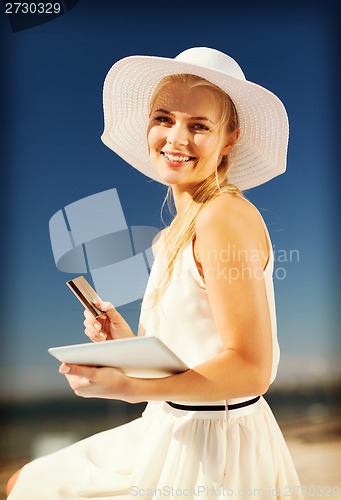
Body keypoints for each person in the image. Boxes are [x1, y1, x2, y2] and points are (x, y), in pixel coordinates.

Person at [7, 47, 303, 499]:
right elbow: (192, 351)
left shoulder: (223, 216)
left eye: (199, 126)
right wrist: (127, 346)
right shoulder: (169, 237)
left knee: (29, 485)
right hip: (169, 427)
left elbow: (251, 368)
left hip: (214, 446)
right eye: (164, 118)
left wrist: (130, 385)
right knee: (27, 482)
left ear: (229, 140)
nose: (176, 139)